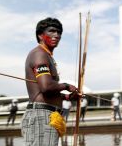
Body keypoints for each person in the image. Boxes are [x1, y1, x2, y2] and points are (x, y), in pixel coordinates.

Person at [21, 18, 80, 146]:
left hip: (47, 115)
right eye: (52, 31)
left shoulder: (47, 56)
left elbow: (47, 93)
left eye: (59, 32)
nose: (57, 35)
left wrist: (68, 97)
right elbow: (46, 87)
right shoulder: (39, 54)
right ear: (40, 35)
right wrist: (66, 86)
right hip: (41, 116)